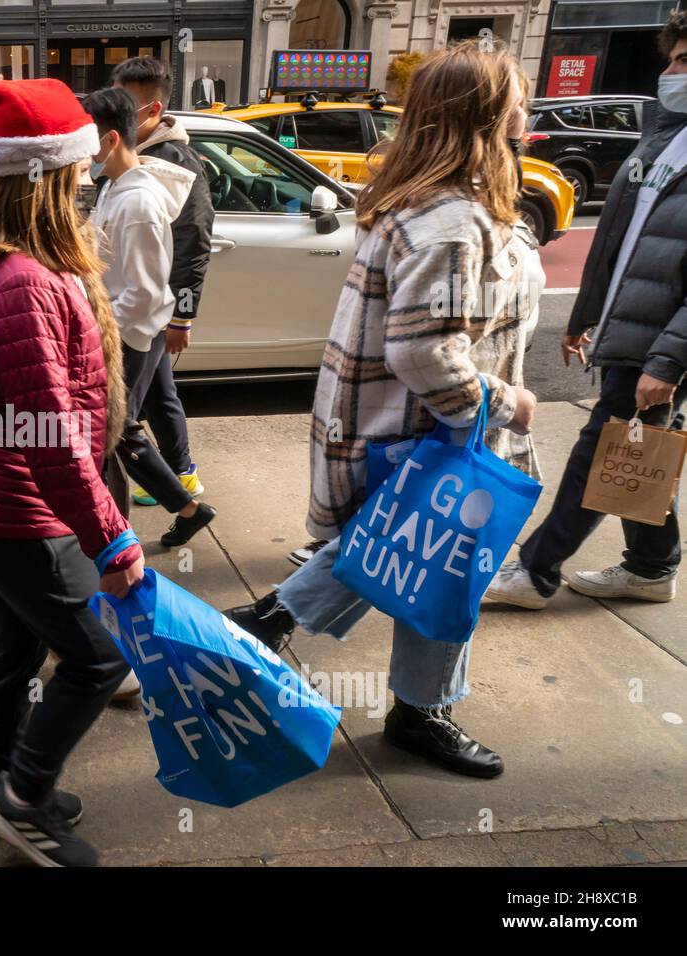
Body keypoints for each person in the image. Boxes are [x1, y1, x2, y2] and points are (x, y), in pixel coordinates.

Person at [225, 41, 542, 779]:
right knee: (438, 565)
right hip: (430, 431)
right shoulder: (454, 219)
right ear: (489, 115)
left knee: (400, 553)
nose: (528, 109)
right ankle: (404, 705)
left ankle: (271, 630)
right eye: (518, 95)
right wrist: (507, 402)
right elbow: (424, 352)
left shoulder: (430, 202)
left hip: (401, 429)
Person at [0, 76, 144, 867]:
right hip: (15, 512)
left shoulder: (20, 266)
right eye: (76, 169)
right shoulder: (24, 282)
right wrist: (114, 542)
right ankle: (20, 802)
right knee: (99, 656)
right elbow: (52, 437)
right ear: (44, 178)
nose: (87, 178)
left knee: (19, 654)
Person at [487, 11, 687, 610]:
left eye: (686, 63)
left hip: (661, 342)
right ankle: (652, 567)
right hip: (632, 331)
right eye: (673, 60)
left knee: (602, 450)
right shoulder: (665, 136)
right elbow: (617, 243)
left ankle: (537, 570)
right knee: (637, 452)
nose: (672, 74)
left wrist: (670, 361)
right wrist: (583, 316)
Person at [84, 86, 217, 551]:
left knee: (107, 434)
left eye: (89, 138)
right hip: (131, 332)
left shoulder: (137, 203)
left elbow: (141, 293)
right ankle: (188, 509)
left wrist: (100, 335)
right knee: (120, 431)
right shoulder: (116, 189)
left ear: (111, 139)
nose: (84, 151)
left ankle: (116, 540)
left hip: (129, 337)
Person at [109, 57, 214, 510]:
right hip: (141, 308)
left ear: (152, 110)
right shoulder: (139, 154)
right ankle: (182, 475)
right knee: (157, 395)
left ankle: (176, 488)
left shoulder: (173, 162)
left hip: (149, 311)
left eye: (125, 106)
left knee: (121, 417)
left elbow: (194, 243)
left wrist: (183, 317)